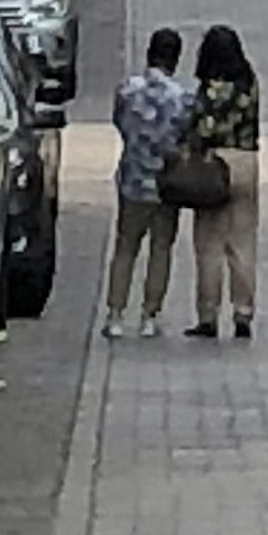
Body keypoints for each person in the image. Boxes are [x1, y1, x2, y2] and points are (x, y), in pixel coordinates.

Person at [102, 23, 190, 337]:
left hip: (132, 179)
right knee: (161, 248)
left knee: (125, 246)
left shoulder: (127, 90)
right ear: (176, 59)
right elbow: (185, 137)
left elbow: (120, 124)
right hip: (167, 184)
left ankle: (115, 314)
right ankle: (150, 315)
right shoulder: (182, 99)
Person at [180, 25, 262, 339]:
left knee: (209, 245)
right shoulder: (249, 84)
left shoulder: (210, 88)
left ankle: (208, 316)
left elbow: (202, 128)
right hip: (247, 162)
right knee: (242, 244)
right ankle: (243, 313)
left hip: (215, 164)